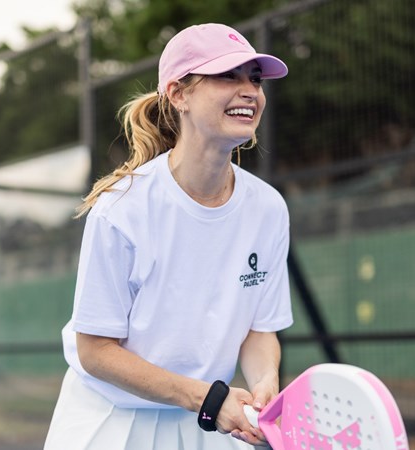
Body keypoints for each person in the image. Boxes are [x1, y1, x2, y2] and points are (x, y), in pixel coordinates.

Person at [44, 22, 293, 450]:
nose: (250, 90)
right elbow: (96, 350)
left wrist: (265, 382)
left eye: (254, 78)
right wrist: (207, 399)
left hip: (203, 419)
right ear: (179, 94)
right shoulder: (121, 209)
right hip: (110, 420)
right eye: (228, 76)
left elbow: (258, 328)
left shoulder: (268, 209)